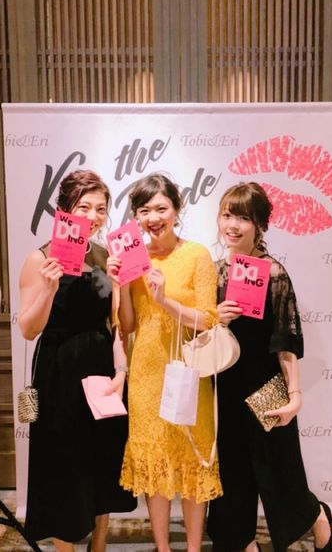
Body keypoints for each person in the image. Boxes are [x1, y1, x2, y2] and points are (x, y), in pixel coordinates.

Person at [206, 182, 332, 552]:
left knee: (280, 471)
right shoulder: (214, 272)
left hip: (265, 386)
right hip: (224, 387)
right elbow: (199, 333)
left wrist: (294, 395)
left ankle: (317, 518)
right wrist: (216, 318)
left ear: (259, 225)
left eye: (243, 218)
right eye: (227, 215)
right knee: (232, 473)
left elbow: (286, 342)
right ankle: (243, 543)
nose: (232, 225)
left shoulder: (274, 273)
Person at [18, 169, 136, 552]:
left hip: (102, 370)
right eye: (84, 207)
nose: (93, 216)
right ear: (64, 210)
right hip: (60, 373)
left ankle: (98, 545)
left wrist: (122, 370)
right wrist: (49, 289)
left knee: (104, 459)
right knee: (63, 465)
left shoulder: (105, 256)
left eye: (101, 209)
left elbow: (119, 324)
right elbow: (28, 329)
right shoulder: (39, 259)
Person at [107, 173, 222, 552]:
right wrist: (121, 284)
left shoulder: (197, 255)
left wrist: (165, 301)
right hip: (146, 374)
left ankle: (193, 547)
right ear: (136, 217)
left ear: (176, 209)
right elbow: (127, 325)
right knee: (155, 466)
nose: (153, 218)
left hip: (188, 372)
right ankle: (162, 548)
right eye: (144, 211)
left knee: (190, 461)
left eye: (161, 208)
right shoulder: (132, 257)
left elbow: (208, 318)